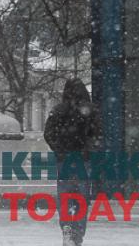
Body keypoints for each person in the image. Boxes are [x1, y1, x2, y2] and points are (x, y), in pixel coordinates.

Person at [44, 79, 101, 246]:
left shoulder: (58, 110)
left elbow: (49, 134)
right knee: (81, 198)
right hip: (83, 160)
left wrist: (59, 150)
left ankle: (67, 226)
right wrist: (89, 151)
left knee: (65, 196)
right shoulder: (91, 111)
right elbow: (97, 135)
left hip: (64, 160)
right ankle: (78, 234)